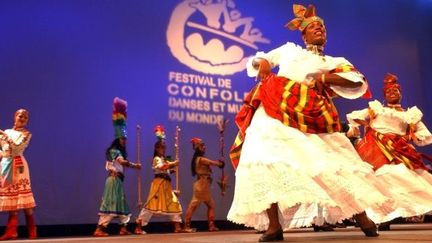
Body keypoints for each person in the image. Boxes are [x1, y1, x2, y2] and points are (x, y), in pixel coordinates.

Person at [227, 4, 397, 242]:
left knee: (335, 163)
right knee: (265, 158)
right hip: (275, 107)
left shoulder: (333, 60)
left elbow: (357, 81)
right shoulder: (289, 50)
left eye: (322, 27)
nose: (318, 29)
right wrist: (262, 62)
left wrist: (325, 77)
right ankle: (274, 226)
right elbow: (262, 58)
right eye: (312, 26)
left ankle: (362, 217)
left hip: (313, 113)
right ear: (303, 33)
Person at [347, 73, 432, 230]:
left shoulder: (410, 115)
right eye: (388, 91)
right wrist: (364, 125)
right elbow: (355, 117)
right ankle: (380, 216)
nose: (392, 93)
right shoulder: (377, 109)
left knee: (407, 179)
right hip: (376, 147)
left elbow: (425, 135)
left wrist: (412, 136)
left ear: (401, 93)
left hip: (400, 149)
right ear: (384, 95)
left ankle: (387, 215)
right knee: (383, 178)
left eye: (395, 91)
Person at [94, 97, 141, 237]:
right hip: (113, 180)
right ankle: (100, 228)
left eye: (125, 139)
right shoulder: (114, 151)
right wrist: (134, 165)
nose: (124, 141)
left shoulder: (119, 151)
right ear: (117, 139)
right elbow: (121, 162)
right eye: (122, 139)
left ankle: (124, 228)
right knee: (111, 204)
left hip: (118, 180)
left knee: (121, 203)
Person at [134, 125, 184, 234]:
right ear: (157, 148)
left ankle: (177, 227)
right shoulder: (156, 159)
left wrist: (171, 170)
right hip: (159, 185)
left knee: (174, 202)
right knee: (151, 205)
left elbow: (165, 169)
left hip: (166, 185)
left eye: (164, 147)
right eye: (162, 147)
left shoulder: (163, 159)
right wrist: (172, 164)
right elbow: (161, 167)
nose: (164, 149)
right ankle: (138, 226)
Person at [0, 109, 37, 240]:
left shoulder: (26, 134)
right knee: (11, 197)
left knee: (23, 196)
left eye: (25, 117)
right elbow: (2, 150)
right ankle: (12, 231)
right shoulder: (6, 132)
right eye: (20, 116)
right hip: (6, 166)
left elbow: (17, 148)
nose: (22, 118)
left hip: (18, 165)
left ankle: (32, 229)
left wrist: (6, 138)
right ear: (15, 116)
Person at [183, 138, 224, 232]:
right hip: (201, 185)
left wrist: (219, 163)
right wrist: (219, 163)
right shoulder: (200, 159)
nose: (204, 147)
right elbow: (211, 162)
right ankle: (187, 226)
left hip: (204, 185)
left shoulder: (199, 159)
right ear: (197, 148)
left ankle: (211, 226)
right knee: (193, 205)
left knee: (211, 205)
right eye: (202, 145)